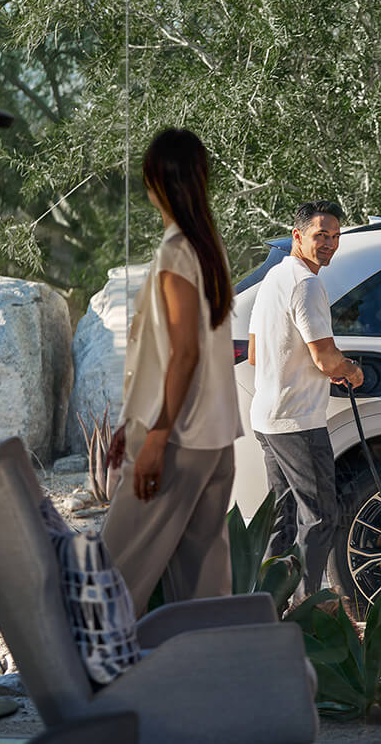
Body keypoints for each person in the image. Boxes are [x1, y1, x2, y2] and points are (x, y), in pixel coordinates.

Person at [102, 128, 242, 616]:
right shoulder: (209, 249)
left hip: (177, 440)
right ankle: (214, 686)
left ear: (154, 182)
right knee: (203, 590)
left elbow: (184, 355)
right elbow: (169, 353)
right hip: (214, 439)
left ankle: (91, 685)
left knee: (113, 576)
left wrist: (156, 435)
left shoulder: (177, 253)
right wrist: (130, 422)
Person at [249, 200, 364, 601]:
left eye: (335, 237)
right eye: (321, 236)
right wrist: (350, 370)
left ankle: (263, 606)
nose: (330, 244)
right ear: (297, 236)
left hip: (267, 418)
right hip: (299, 422)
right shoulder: (306, 283)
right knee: (320, 518)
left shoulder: (274, 279)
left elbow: (253, 353)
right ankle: (306, 609)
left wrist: (305, 367)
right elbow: (325, 357)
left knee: (282, 520)